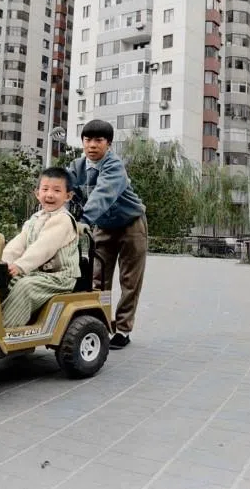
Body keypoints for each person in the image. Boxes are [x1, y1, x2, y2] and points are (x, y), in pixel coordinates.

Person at [66, 120, 147, 350]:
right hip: (103, 226)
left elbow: (103, 193)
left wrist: (84, 221)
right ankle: (98, 324)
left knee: (130, 279)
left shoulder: (114, 165)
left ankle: (123, 329)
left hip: (131, 224)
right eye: (88, 140)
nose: (92, 145)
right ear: (82, 142)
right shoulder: (76, 166)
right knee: (97, 277)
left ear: (108, 144)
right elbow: (61, 188)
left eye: (98, 140)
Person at [1, 167, 80, 328]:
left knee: (25, 287)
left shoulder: (63, 220)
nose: (50, 194)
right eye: (45, 189)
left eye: (57, 190)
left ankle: (5, 330)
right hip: (37, 274)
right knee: (3, 282)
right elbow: (18, 244)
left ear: (68, 196)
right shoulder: (35, 219)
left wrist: (20, 265)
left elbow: (43, 247)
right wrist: (2, 262)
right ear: (37, 193)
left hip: (60, 277)